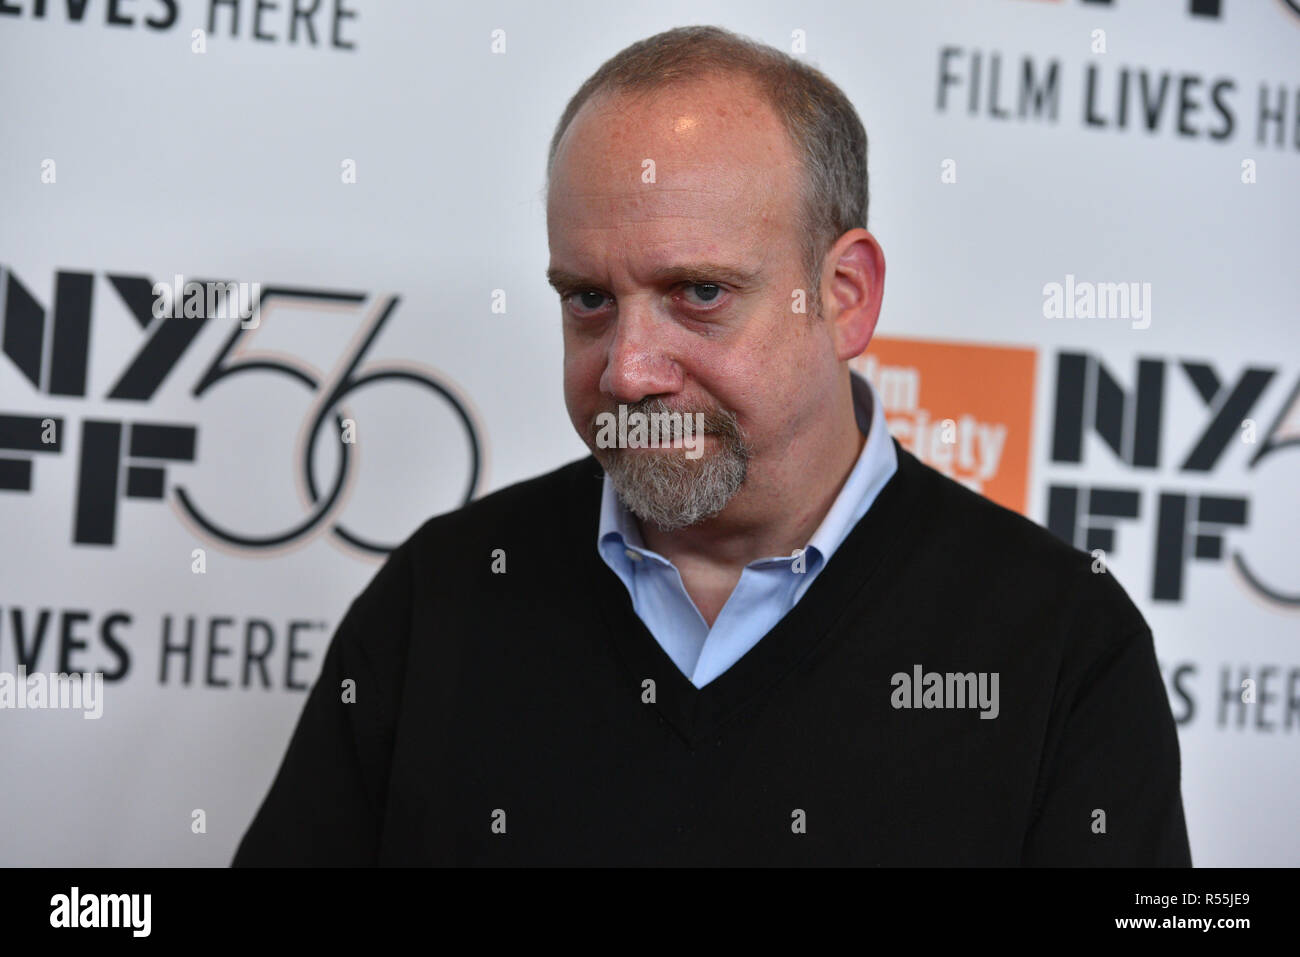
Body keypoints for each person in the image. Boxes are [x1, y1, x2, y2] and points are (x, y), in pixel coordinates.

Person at [233, 25, 1192, 866]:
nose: (628, 370)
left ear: (846, 294)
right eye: (589, 300)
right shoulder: (440, 594)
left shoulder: (1063, 643)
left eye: (699, 293)